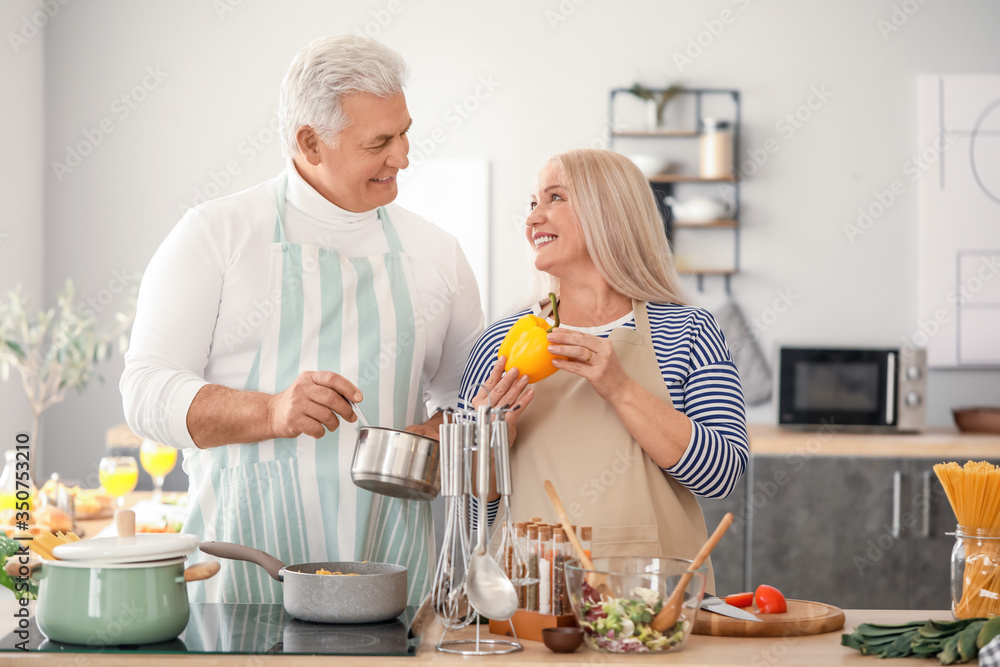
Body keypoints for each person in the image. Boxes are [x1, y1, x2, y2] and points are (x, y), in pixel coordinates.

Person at [121, 35, 484, 604]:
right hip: (242, 587)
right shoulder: (216, 233)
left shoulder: (437, 253)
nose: (404, 157)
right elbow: (144, 391)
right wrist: (270, 411)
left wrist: (438, 435)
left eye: (406, 131)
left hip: (393, 588)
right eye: (380, 142)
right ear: (310, 143)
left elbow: (469, 403)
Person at [460, 149, 748, 589]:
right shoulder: (501, 343)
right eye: (532, 203)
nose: (533, 219)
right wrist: (492, 444)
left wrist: (621, 389)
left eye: (555, 198)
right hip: (532, 598)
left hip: (656, 597)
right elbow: (471, 515)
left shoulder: (688, 331)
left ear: (610, 212)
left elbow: (722, 475)